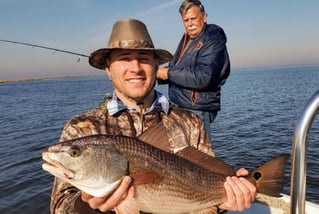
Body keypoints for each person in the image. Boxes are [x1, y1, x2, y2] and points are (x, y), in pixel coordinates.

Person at [50, 19, 255, 214]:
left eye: (144, 58)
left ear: (157, 67)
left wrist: (224, 201)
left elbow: (206, 197)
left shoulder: (190, 122)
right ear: (108, 69)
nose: (136, 68)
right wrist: (88, 208)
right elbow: (60, 206)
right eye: (124, 58)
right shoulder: (82, 128)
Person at [157, 0, 230, 141]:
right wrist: (154, 74)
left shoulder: (213, 39)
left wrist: (166, 73)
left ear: (204, 17)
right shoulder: (187, 38)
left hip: (197, 109)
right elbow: (177, 66)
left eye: (193, 19)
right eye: (185, 20)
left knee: (200, 157)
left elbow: (204, 76)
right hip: (180, 105)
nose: (189, 24)